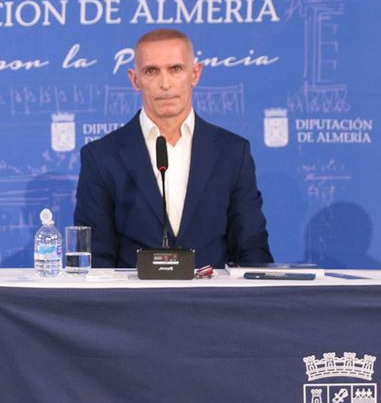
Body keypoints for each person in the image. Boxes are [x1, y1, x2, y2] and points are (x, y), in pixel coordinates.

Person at [74, 28, 272, 269]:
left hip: (211, 292)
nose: (165, 84)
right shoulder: (101, 157)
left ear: (195, 74)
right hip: (133, 293)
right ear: (135, 79)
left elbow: (252, 249)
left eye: (175, 69)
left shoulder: (232, 152)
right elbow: (95, 257)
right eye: (151, 71)